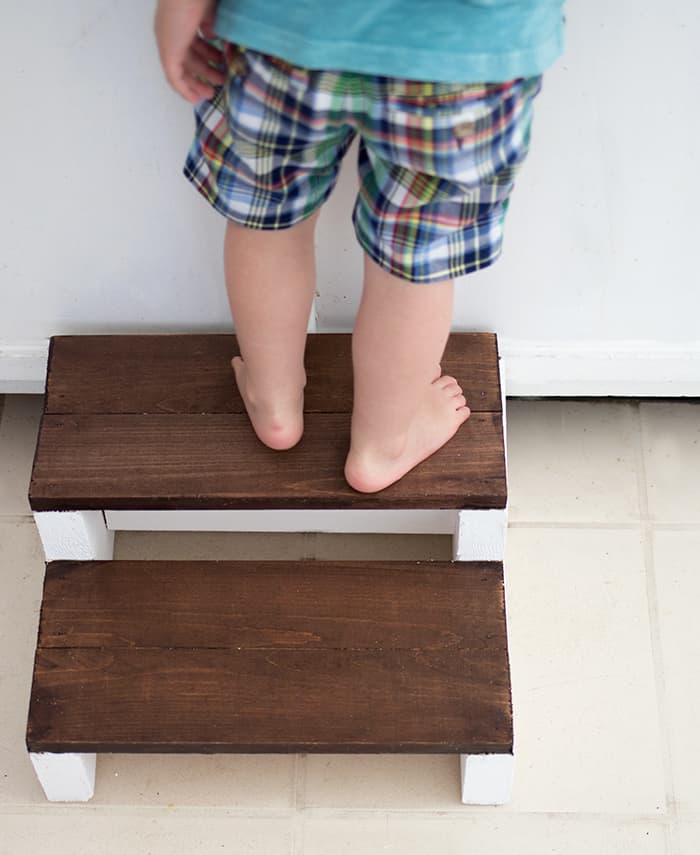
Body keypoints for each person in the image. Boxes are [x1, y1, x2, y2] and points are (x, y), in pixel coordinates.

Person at [154, 0, 565, 493]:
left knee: (268, 217)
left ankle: (274, 401)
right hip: (463, 53)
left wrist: (178, 10)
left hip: (284, 32)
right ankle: (382, 446)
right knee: (415, 259)